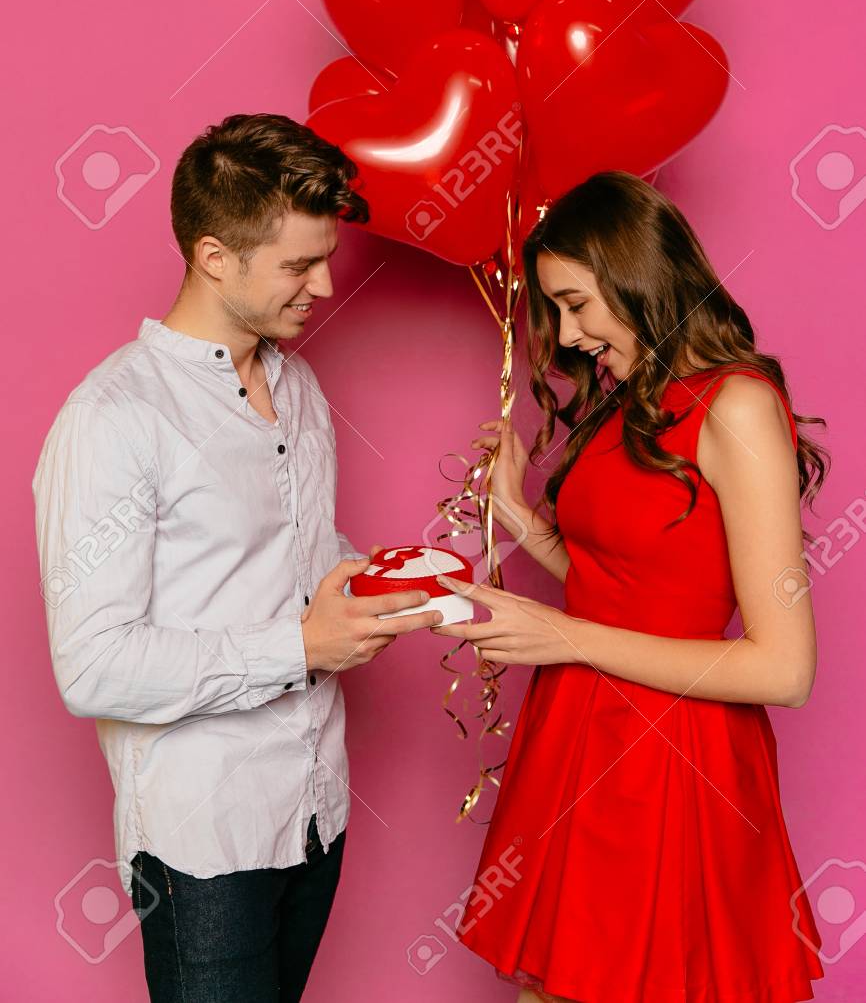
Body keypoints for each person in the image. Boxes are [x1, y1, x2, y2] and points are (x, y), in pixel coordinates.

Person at [32, 113, 444, 1003]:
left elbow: (289, 557)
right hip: (204, 844)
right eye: (299, 266)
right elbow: (92, 666)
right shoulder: (113, 418)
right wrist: (301, 646)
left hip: (315, 813)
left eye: (325, 258)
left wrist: (381, 581)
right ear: (214, 257)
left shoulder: (300, 387)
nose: (325, 285)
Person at [432, 170, 829, 1003]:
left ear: (637, 274)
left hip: (672, 764)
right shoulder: (632, 401)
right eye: (555, 310)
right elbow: (627, 585)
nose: (568, 336)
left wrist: (562, 635)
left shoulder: (736, 406)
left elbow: (785, 670)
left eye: (577, 304)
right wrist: (521, 517)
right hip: (576, 740)